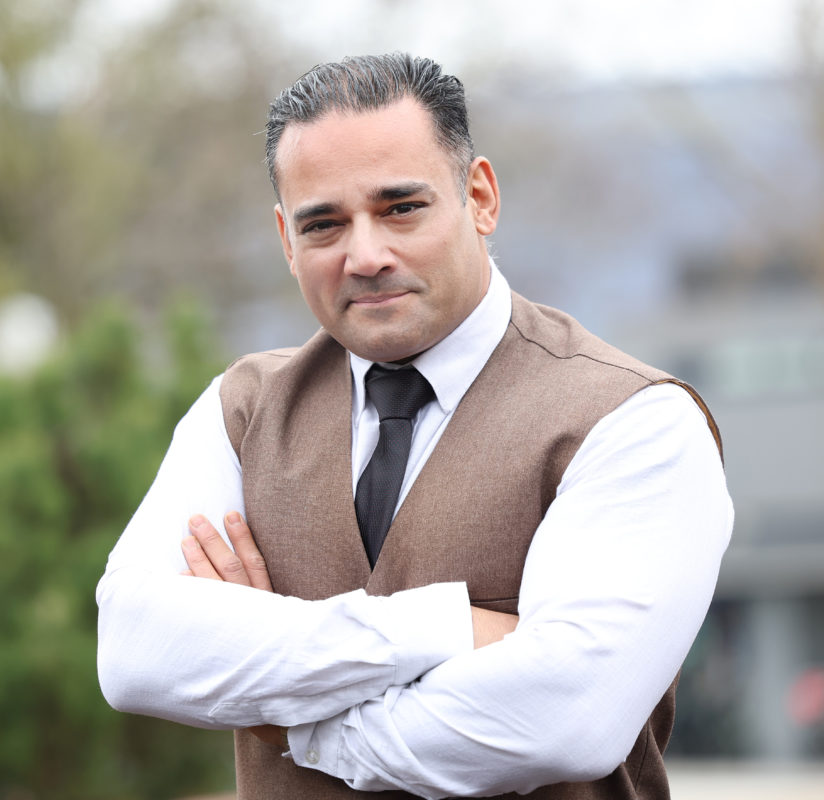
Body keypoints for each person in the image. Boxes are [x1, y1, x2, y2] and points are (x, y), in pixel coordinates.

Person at [95, 53, 732, 800]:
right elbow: (134, 654)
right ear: (286, 241)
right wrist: (445, 629)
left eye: (400, 208)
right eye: (323, 224)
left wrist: (289, 715)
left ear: (479, 198)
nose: (365, 256)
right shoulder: (241, 411)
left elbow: (568, 721)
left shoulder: (633, 420)